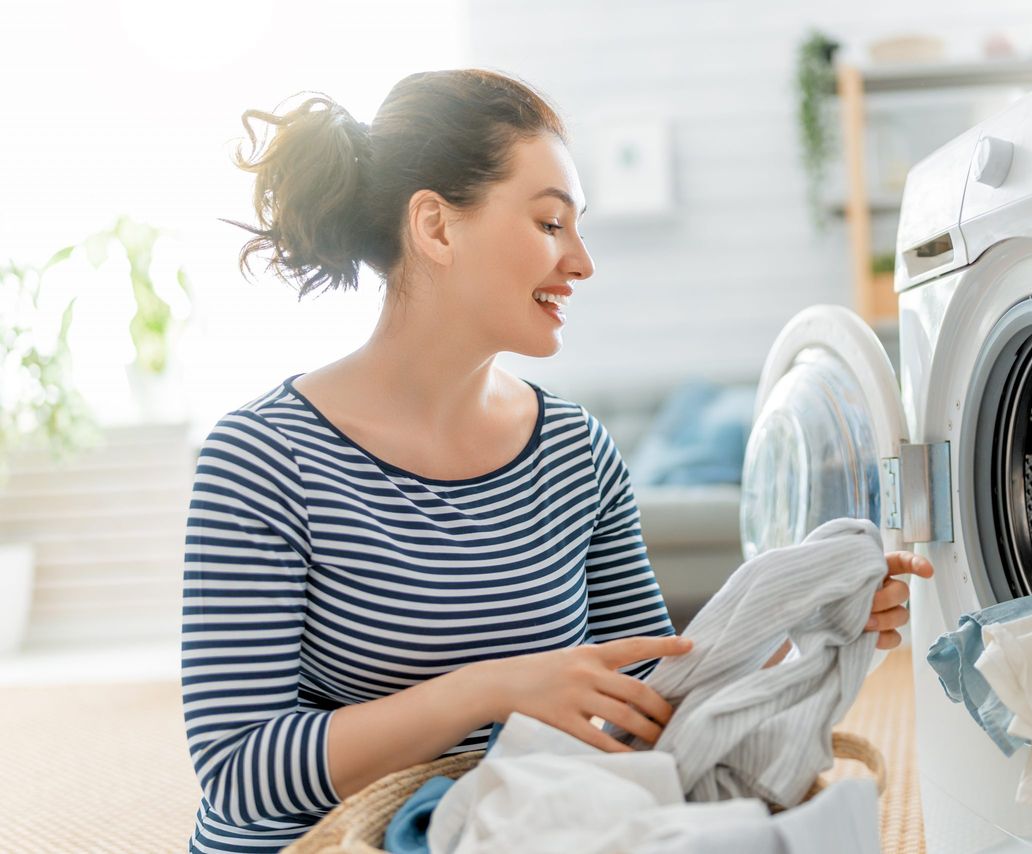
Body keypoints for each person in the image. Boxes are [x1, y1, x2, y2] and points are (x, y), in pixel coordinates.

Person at [180, 68, 934, 853]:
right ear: (436, 228)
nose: (581, 262)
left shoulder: (574, 450)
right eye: (549, 224)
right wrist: (494, 688)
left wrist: (799, 629)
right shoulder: (261, 459)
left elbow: (646, 708)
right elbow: (237, 770)